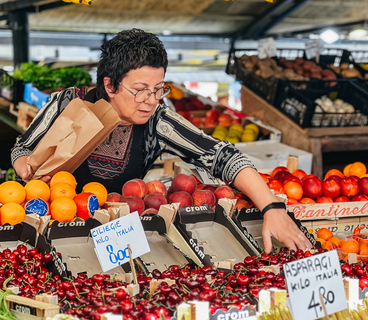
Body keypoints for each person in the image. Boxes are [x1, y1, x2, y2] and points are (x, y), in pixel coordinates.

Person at [11, 28, 311, 254]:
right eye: (141, 89)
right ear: (110, 85)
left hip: (117, 236)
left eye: (158, 89)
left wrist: (273, 208)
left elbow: (221, 156)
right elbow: (22, 148)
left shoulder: (157, 120)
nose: (150, 100)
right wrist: (26, 168)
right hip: (52, 230)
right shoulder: (67, 103)